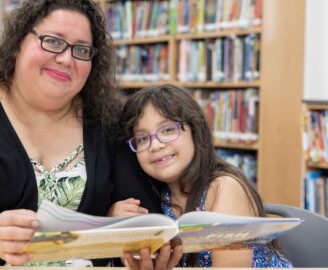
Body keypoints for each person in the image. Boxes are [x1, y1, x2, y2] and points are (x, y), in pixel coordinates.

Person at [0, 0, 182, 268]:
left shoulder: (109, 123)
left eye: (81, 50)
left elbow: (144, 220)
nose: (66, 59)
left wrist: (141, 249)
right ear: (17, 43)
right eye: (52, 42)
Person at [114, 84, 293, 268]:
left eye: (167, 130)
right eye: (142, 138)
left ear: (195, 130)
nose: (155, 145)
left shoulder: (224, 188)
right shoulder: (159, 197)